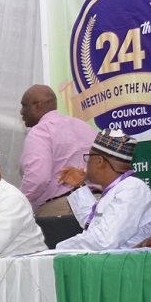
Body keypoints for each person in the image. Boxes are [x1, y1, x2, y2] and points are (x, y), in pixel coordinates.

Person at [55, 128, 151, 250]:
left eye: (88, 158)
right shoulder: (117, 189)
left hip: (129, 265)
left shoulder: (133, 189)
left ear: (99, 161)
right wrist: (79, 186)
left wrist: (58, 249)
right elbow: (93, 225)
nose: (86, 163)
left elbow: (103, 240)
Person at [18, 84, 98, 217]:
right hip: (97, 202)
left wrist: (17, 202)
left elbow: (38, 179)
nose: (21, 112)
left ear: (37, 105)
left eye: (24, 105)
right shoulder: (84, 127)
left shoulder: (40, 132)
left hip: (63, 210)